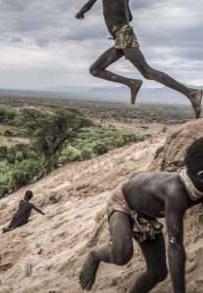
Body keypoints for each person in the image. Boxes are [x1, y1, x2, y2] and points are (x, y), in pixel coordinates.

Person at [79, 137, 203, 293]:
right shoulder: (176, 194)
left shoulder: (196, 184)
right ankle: (95, 255)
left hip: (146, 212)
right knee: (122, 254)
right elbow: (175, 247)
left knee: (158, 273)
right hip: (122, 201)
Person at [75, 0, 202, 118]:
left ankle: (191, 93)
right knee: (95, 70)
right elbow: (129, 17)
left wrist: (82, 12)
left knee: (147, 72)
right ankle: (132, 83)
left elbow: (89, 5)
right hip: (121, 36)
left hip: (123, 34)